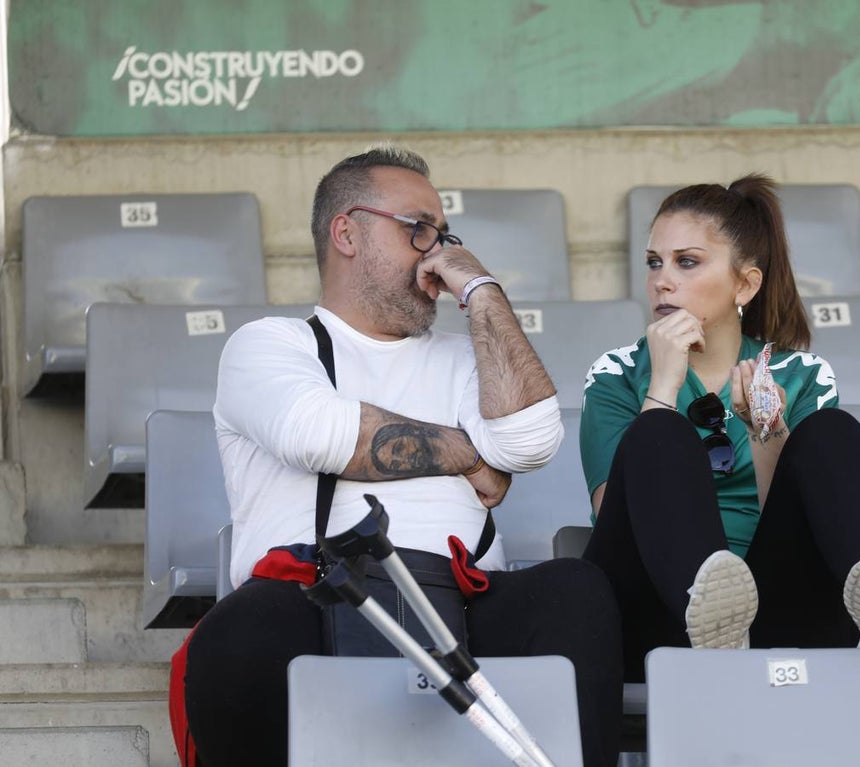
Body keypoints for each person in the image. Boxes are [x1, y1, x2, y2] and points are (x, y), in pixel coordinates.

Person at [178, 146, 622, 766]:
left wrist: (482, 291)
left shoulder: (470, 356)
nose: (436, 252)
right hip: (315, 594)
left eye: (445, 235)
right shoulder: (272, 343)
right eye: (418, 230)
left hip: (465, 597)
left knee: (576, 589)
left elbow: (529, 442)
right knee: (238, 631)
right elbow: (322, 435)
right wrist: (469, 455)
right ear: (347, 234)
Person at [579, 174, 860, 679]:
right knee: (658, 434)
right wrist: (662, 384)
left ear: (745, 283)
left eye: (687, 262)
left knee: (832, 432)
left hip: (771, 607)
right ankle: (711, 618)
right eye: (654, 263)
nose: (662, 279)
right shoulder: (616, 374)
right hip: (656, 609)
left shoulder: (801, 375)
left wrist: (766, 433)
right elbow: (610, 511)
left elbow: (802, 524)